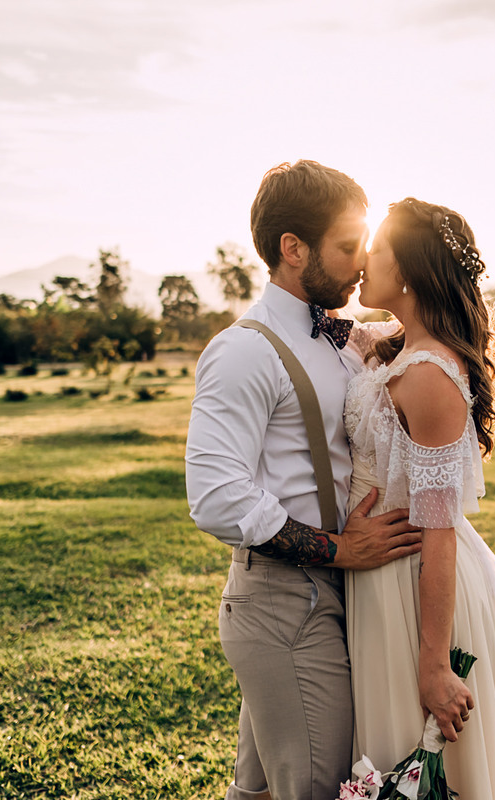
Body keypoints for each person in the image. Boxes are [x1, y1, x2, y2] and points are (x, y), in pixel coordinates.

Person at [185, 161, 423, 800]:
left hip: (336, 599)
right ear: (293, 249)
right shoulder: (244, 351)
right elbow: (216, 497)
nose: (361, 264)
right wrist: (341, 549)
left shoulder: (345, 340)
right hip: (284, 604)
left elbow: (425, 331)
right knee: (318, 789)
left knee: (258, 792)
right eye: (348, 248)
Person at [343, 198, 495, 797]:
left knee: (412, 767)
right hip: (379, 572)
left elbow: (439, 527)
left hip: (414, 584)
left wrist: (435, 663)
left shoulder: (431, 375)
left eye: (377, 249)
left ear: (411, 271)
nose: (365, 260)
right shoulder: (395, 348)